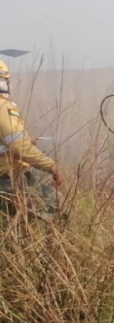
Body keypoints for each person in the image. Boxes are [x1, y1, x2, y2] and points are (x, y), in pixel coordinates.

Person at [0, 59, 63, 221]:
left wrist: (25, 139)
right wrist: (52, 167)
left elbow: (9, 139)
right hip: (6, 177)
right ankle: (30, 240)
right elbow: (18, 146)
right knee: (53, 201)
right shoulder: (2, 107)